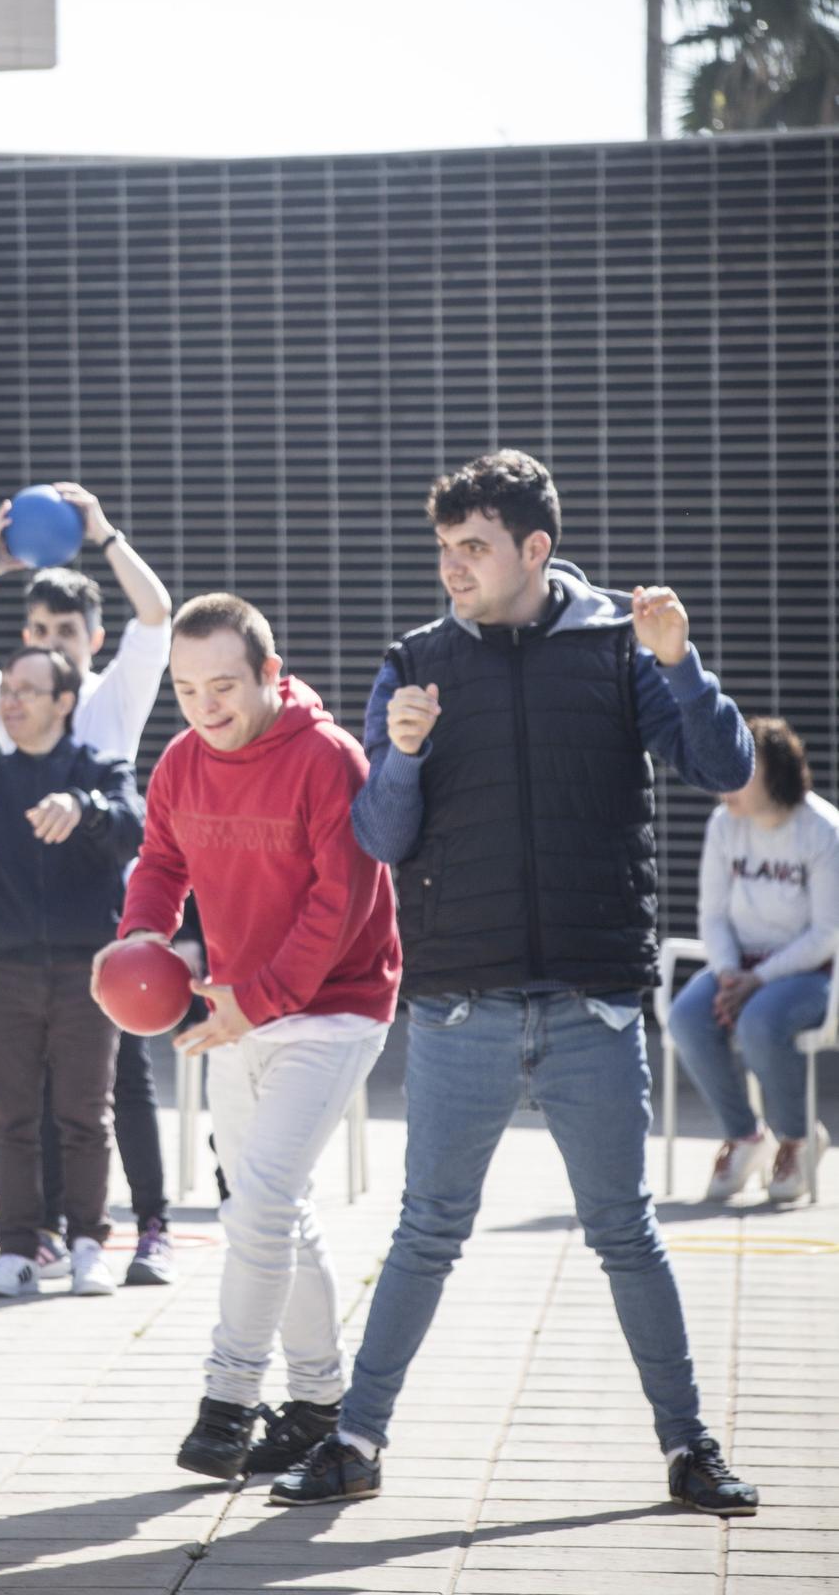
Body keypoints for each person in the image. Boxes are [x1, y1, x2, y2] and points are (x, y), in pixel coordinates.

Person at [271, 450, 760, 1518]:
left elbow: (726, 770)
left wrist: (680, 664)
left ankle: (689, 1447)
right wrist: (397, 753)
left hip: (591, 1000)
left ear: (533, 550)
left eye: (472, 547)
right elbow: (379, 835)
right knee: (426, 1229)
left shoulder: (620, 650)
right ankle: (355, 1439)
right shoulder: (414, 662)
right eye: (442, 547)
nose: (451, 567)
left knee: (624, 1229)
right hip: (459, 1003)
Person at [91, 593, 400, 1480]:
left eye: (222, 685)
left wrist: (252, 1004)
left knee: (259, 1205)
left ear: (269, 673)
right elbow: (160, 862)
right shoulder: (182, 762)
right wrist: (142, 936)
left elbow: (338, 907)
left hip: (334, 1008)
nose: (203, 707)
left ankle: (227, 1403)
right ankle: (315, 1406)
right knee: (271, 1209)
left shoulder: (326, 759)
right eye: (185, 690)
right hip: (236, 1009)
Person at [0, 482, 176, 1287]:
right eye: (36, 630)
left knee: (120, 1090)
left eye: (65, 631)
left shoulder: (109, 698)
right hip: (25, 944)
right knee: (34, 1096)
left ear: (90, 639)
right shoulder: (17, 704)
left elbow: (157, 613)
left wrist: (104, 533)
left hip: (108, 923)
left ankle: (147, 1226)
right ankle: (37, 1235)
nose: (49, 641)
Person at [0, 646, 145, 1299]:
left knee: (83, 1116)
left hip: (84, 973)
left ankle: (89, 1245)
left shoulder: (101, 769)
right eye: (6, 689)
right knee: (9, 1117)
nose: (9, 702)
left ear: (64, 703)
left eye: (26, 691)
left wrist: (87, 808)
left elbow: (136, 826)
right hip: (2, 973)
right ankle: (15, 1250)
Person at [668, 716, 837, 1203]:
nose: (728, 776)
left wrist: (757, 979)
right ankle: (745, 1137)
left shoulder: (823, 830)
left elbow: (827, 933)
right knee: (686, 1018)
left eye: (743, 766)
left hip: (808, 973)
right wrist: (726, 973)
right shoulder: (723, 825)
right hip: (737, 967)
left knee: (759, 1024)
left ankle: (800, 1138)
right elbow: (712, 914)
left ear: (777, 774)